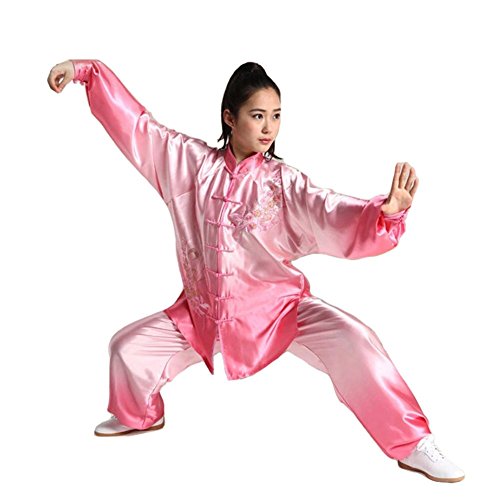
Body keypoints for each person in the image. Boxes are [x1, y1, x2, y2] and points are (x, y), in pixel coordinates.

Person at [47, 59, 464, 483]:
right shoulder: (189, 164)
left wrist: (382, 215)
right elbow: (139, 127)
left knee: (357, 341)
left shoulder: (284, 183)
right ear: (229, 117)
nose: (269, 128)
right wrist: (87, 72)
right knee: (126, 348)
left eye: (276, 116)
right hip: (203, 315)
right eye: (258, 115)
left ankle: (413, 444)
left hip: (278, 310)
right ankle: (140, 415)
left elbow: (330, 210)